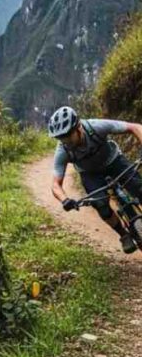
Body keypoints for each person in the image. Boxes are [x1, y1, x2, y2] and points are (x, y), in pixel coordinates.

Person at [49, 106, 142, 254]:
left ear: (78, 127)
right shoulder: (63, 151)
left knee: (139, 187)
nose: (65, 141)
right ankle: (123, 235)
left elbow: (135, 127)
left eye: (68, 136)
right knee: (101, 206)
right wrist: (64, 200)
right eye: (61, 138)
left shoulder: (96, 126)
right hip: (90, 174)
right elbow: (55, 185)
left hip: (114, 161)